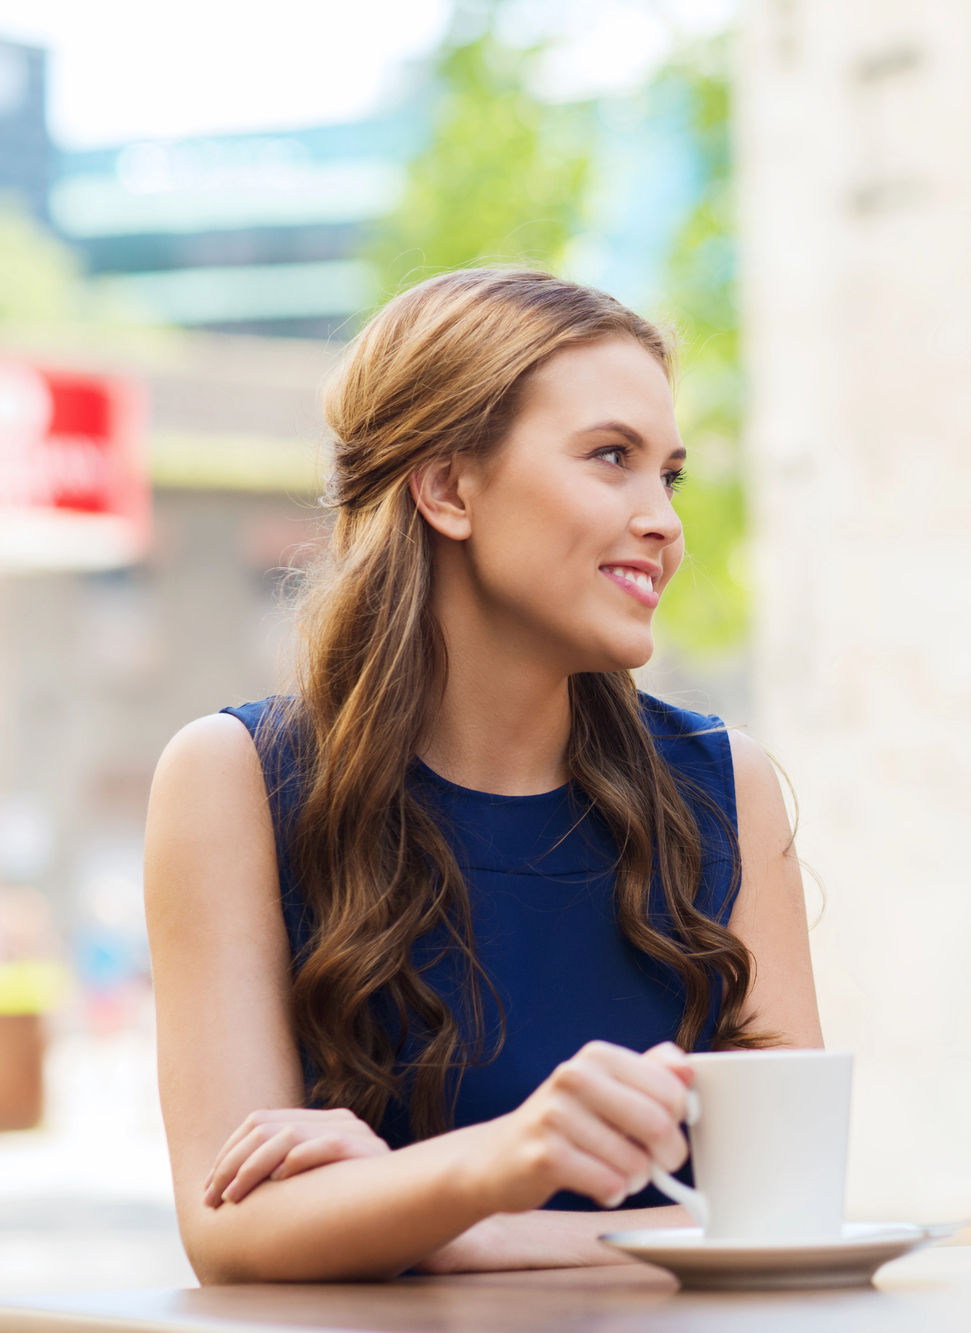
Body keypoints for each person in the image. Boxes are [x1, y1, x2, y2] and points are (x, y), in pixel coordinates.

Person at [144, 270, 820, 1283]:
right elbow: (231, 1229)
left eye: (667, 475)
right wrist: (500, 1161)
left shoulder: (725, 786)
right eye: (610, 459)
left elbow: (793, 1208)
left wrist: (446, 1221)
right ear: (449, 488)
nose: (663, 520)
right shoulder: (234, 779)